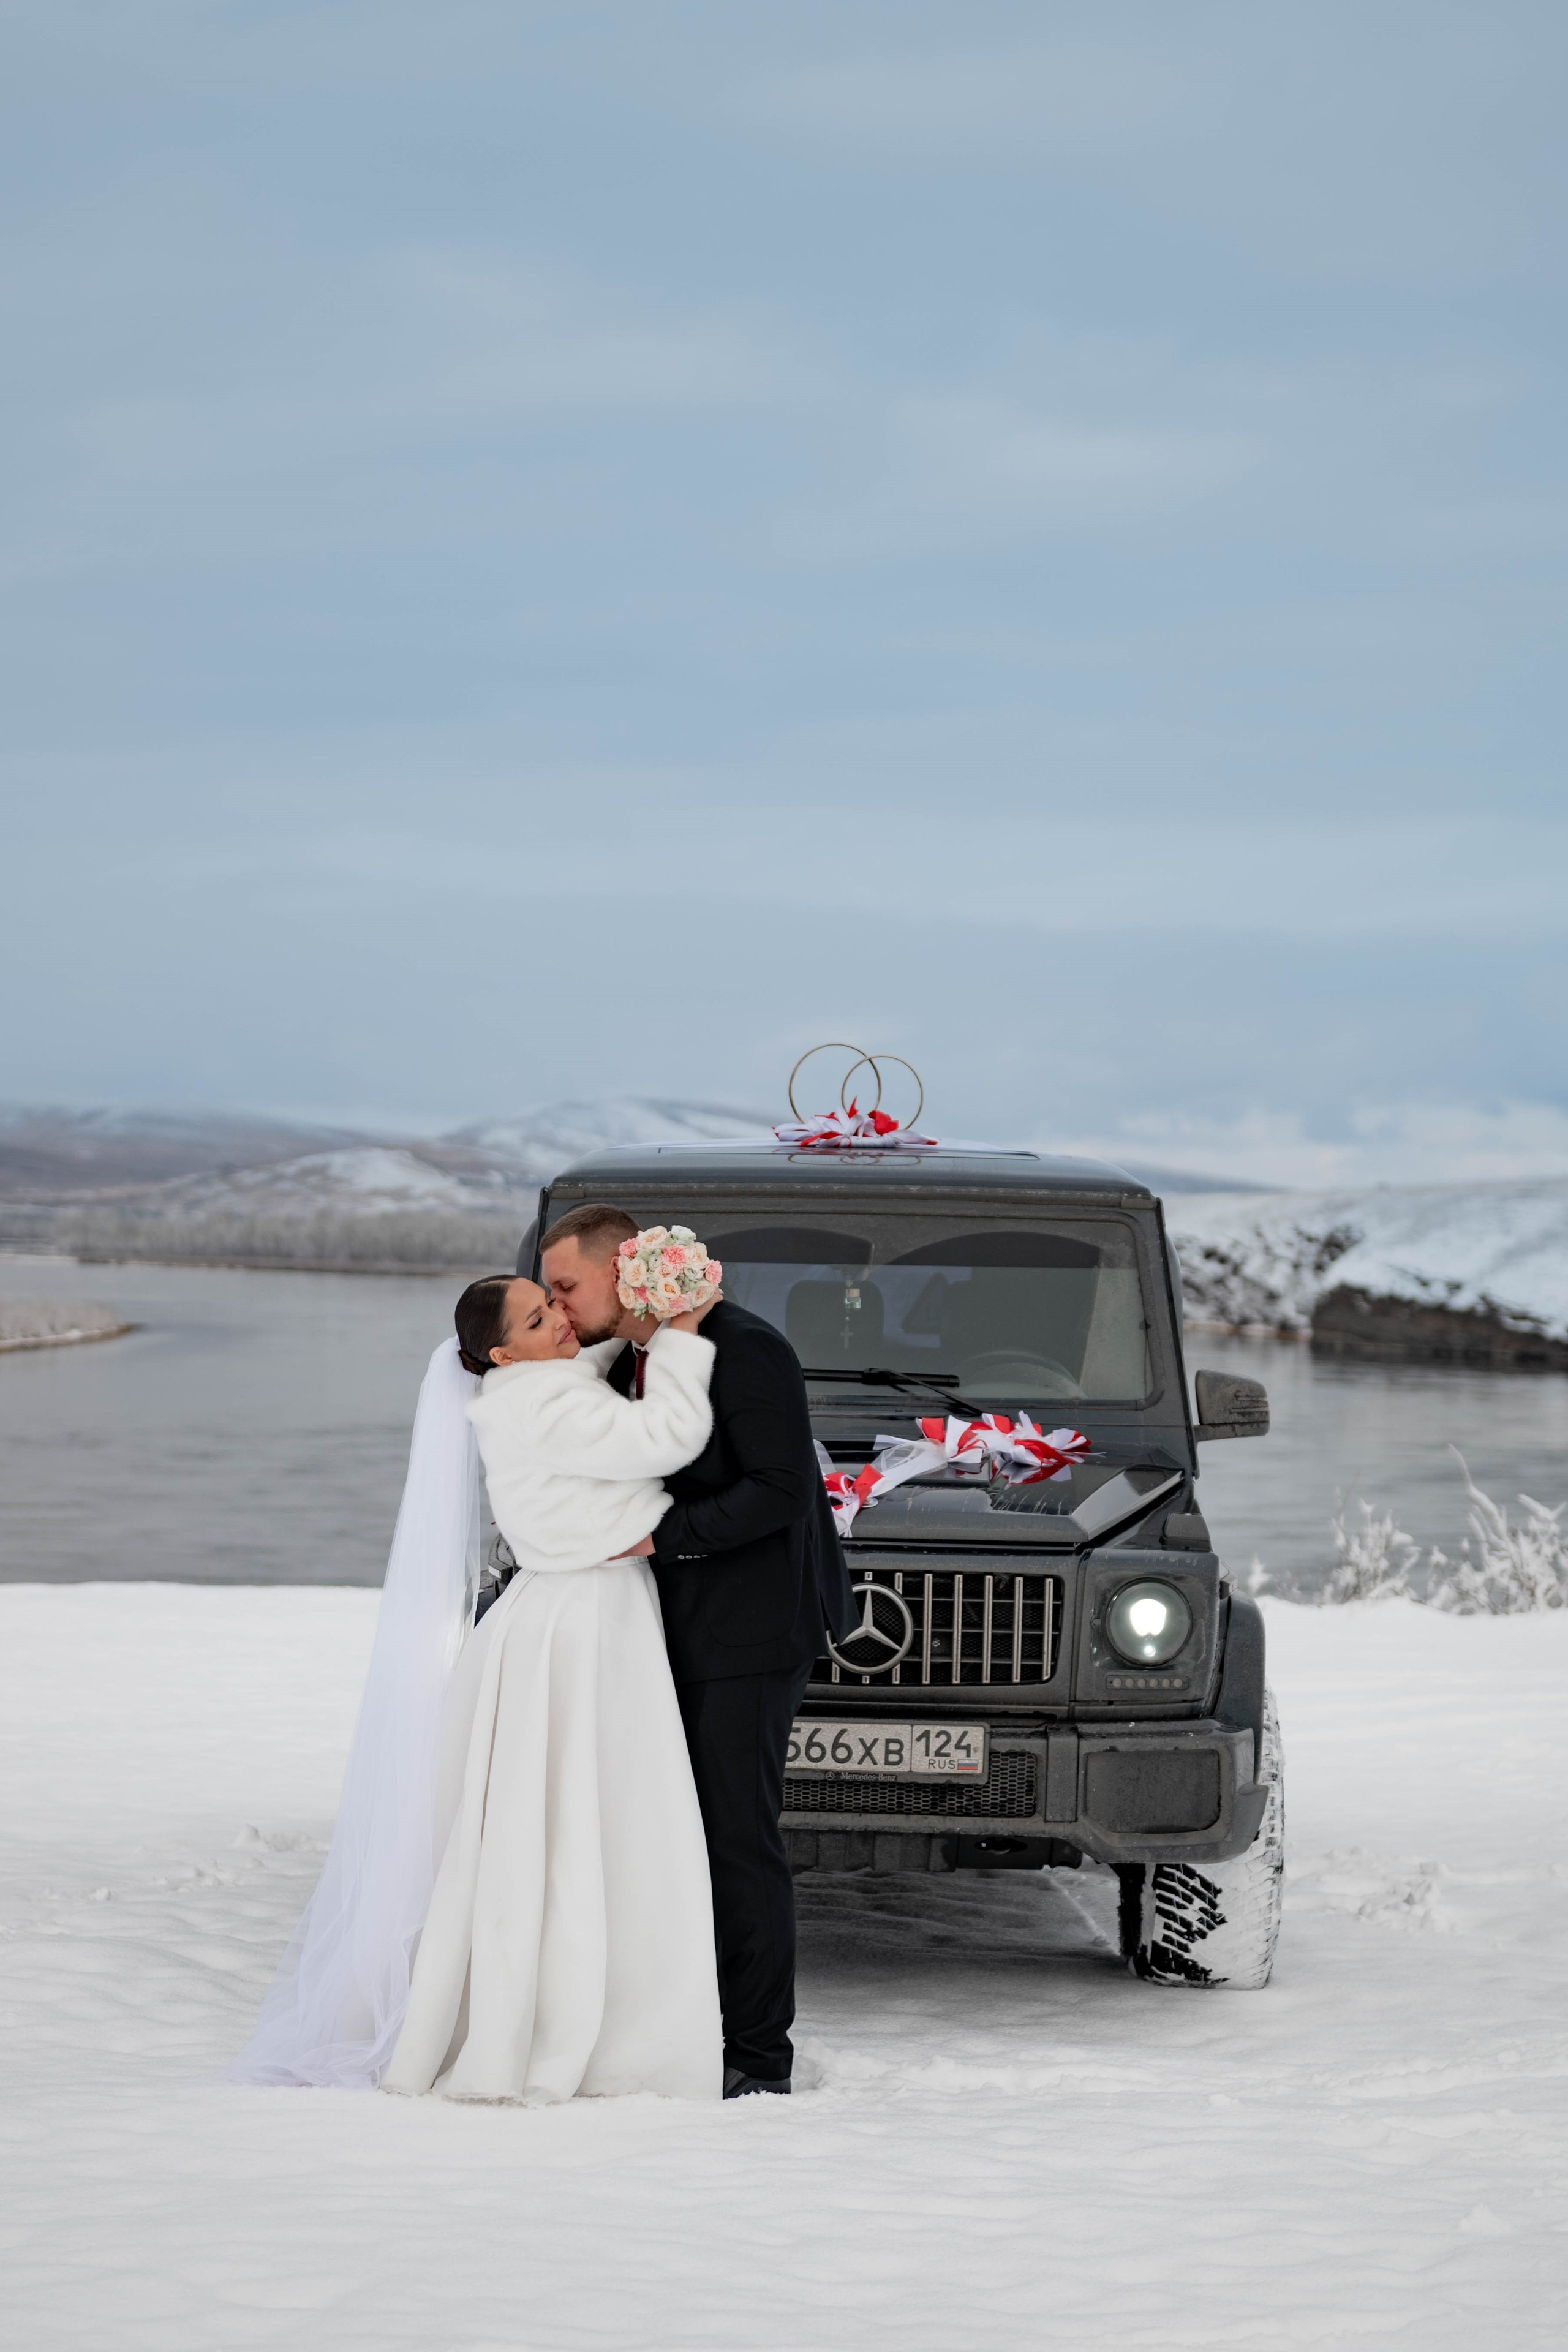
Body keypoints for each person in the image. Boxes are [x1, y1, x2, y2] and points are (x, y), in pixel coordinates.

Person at [232, 1274, 723, 2104]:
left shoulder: (526, 1388)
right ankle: (578, 2026)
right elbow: (668, 1437)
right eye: (539, 1318)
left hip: (577, 1612)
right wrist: (676, 1334)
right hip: (581, 1624)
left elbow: (577, 1371)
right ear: (503, 1353)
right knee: (585, 1818)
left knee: (563, 1824)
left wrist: (625, 1325)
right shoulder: (540, 1405)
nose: (562, 1318)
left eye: (556, 1302)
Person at [541, 1202, 854, 2098]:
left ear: (621, 1270)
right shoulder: (629, 1355)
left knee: (733, 1842)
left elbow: (783, 1490)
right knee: (668, 1840)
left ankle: (758, 2062)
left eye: (567, 1287)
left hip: (751, 1634)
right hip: (670, 1633)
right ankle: (675, 2029)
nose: (560, 1307)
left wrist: (656, 1536)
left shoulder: (746, 1348)